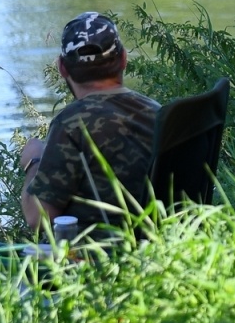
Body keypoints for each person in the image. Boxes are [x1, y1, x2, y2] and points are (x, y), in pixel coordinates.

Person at [19, 13, 160, 232]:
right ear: (124, 58)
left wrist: (34, 161)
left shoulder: (71, 124)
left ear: (62, 68)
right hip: (159, 243)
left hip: (97, 256)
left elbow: (38, 218)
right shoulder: (158, 113)